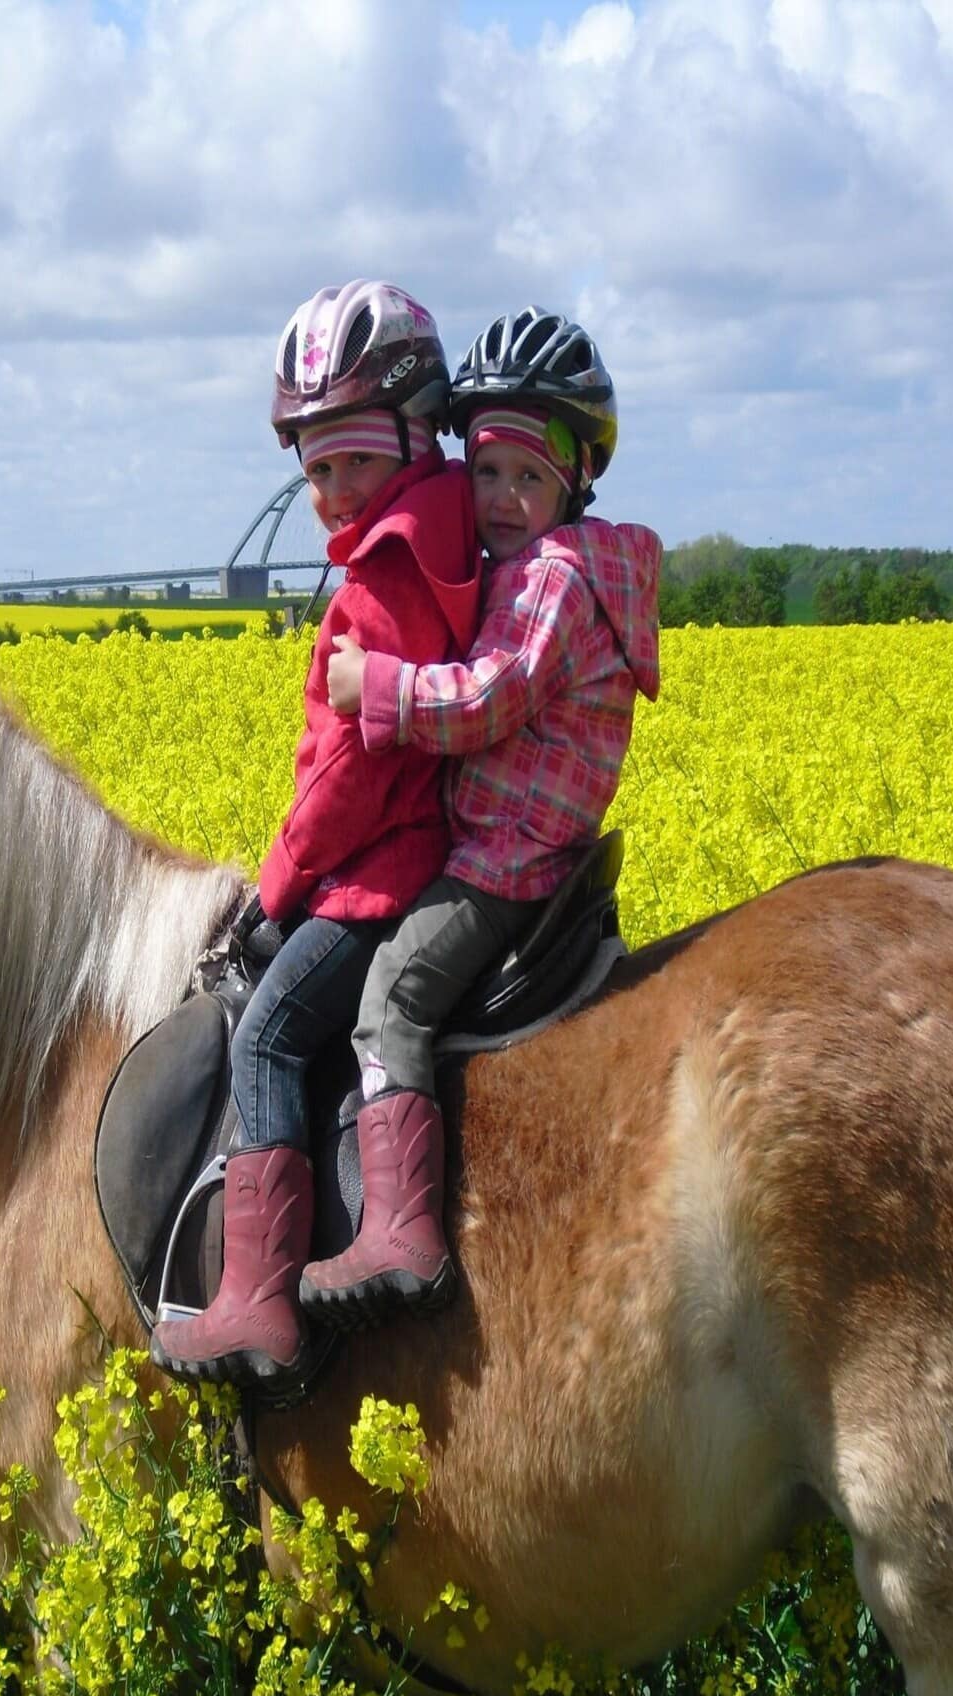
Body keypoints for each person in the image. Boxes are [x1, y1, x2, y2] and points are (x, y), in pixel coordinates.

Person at [299, 306, 662, 1325]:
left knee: (392, 1000)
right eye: (488, 471)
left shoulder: (554, 577)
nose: (503, 499)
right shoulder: (541, 564)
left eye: (529, 478)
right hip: (514, 848)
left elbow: (487, 699)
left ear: (576, 483)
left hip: (505, 867)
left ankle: (399, 1232)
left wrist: (377, 684)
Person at [149, 280, 481, 1397]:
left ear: (415, 433)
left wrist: (280, 886)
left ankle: (257, 1301)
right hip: (430, 851)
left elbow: (349, 769)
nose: (334, 490)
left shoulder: (380, 570)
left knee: (267, 1039)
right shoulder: (446, 530)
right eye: (316, 468)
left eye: (355, 461)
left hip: (373, 876)